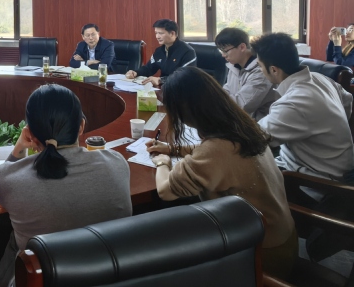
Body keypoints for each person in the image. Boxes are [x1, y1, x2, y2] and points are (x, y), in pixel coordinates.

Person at [147, 66, 297, 279]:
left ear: (184, 110)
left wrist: (162, 162)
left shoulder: (216, 149)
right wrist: (173, 149)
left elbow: (166, 191)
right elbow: (217, 153)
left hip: (260, 255)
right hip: (281, 238)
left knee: (163, 236)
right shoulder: (242, 125)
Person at [0, 84, 132, 287]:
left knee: (16, 241)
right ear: (81, 126)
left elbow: (6, 183)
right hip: (109, 279)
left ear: (30, 133)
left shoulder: (10, 180)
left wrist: (19, 147)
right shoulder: (117, 163)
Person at [252, 33, 354, 180]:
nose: (260, 71)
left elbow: (255, 138)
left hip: (318, 179)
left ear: (274, 70)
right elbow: (348, 101)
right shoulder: (320, 79)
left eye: (260, 66)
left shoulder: (295, 102)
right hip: (329, 164)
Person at [215, 27, 277, 120]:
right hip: (238, 119)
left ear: (242, 47)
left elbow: (243, 105)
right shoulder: (234, 66)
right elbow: (226, 90)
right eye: (221, 51)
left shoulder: (260, 70)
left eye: (225, 50)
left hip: (259, 123)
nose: (223, 55)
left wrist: (214, 100)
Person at [126, 19, 196, 87]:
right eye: (156, 33)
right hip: (164, 89)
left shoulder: (188, 52)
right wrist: (136, 72)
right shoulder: (159, 51)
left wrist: (161, 80)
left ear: (172, 33)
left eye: (161, 33)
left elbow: (185, 77)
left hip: (180, 90)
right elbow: (149, 68)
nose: (157, 37)